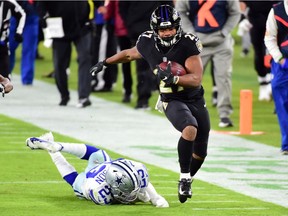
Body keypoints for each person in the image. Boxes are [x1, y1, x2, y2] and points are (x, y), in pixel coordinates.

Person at [90, 5, 210, 204]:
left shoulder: (188, 44)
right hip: (171, 99)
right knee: (190, 128)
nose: (167, 32)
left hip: (195, 97)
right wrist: (105, 62)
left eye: (170, 28)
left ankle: (187, 177)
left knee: (201, 151)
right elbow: (129, 54)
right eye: (163, 29)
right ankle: (184, 178)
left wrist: (174, 79)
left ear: (177, 27)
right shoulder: (147, 41)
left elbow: (196, 79)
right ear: (155, 30)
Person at [25, 132, 169, 207]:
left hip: (107, 166)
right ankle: (54, 151)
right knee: (76, 183)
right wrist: (145, 198)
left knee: (100, 154)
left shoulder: (130, 169)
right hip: (91, 179)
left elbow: (142, 180)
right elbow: (120, 199)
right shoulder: (99, 192)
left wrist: (155, 197)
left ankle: (58, 146)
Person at [175, 0, 241, 128]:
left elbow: (236, 12)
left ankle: (224, 114)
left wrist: (225, 32)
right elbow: (180, 12)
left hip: (220, 42)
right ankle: (185, 112)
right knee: (190, 79)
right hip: (197, 44)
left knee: (223, 78)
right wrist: (191, 33)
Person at [37, 1, 94, 108]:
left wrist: (97, 9)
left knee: (85, 58)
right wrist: (43, 17)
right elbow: (41, 4)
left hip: (82, 26)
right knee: (59, 64)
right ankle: (64, 94)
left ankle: (84, 96)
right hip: (59, 27)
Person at [118, 1, 173, 110]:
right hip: (153, 29)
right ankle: (166, 99)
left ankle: (144, 100)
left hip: (141, 28)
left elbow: (122, 7)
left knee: (144, 66)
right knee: (161, 64)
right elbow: (169, 7)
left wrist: (130, 23)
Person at [240, 0, 280, 102]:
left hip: (275, 22)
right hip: (256, 22)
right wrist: (242, 18)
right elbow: (242, 3)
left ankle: (271, 82)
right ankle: (263, 83)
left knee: (272, 53)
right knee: (259, 54)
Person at [264, 0, 288, 155]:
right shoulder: (276, 10)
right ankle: (287, 144)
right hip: (283, 65)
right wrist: (280, 59)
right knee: (283, 103)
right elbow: (270, 38)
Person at [9, 0, 39, 85]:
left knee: (29, 48)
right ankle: (5, 74)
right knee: (8, 47)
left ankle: (27, 79)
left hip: (31, 15)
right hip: (13, 14)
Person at [0, 0, 25, 78]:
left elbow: (22, 14)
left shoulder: (9, 3)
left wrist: (19, 31)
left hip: (2, 45)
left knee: (5, 79)